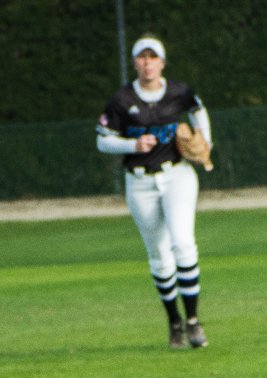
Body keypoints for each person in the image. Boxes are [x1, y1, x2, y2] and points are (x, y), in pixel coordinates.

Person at [95, 34, 212, 349]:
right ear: (136, 62)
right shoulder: (121, 101)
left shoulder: (178, 92)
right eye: (142, 57)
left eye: (153, 56)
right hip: (140, 182)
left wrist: (206, 139)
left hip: (177, 176)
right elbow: (102, 139)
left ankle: (193, 321)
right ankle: (174, 322)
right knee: (160, 257)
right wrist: (131, 144)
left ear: (161, 62)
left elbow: (198, 108)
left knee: (184, 245)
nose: (147, 62)